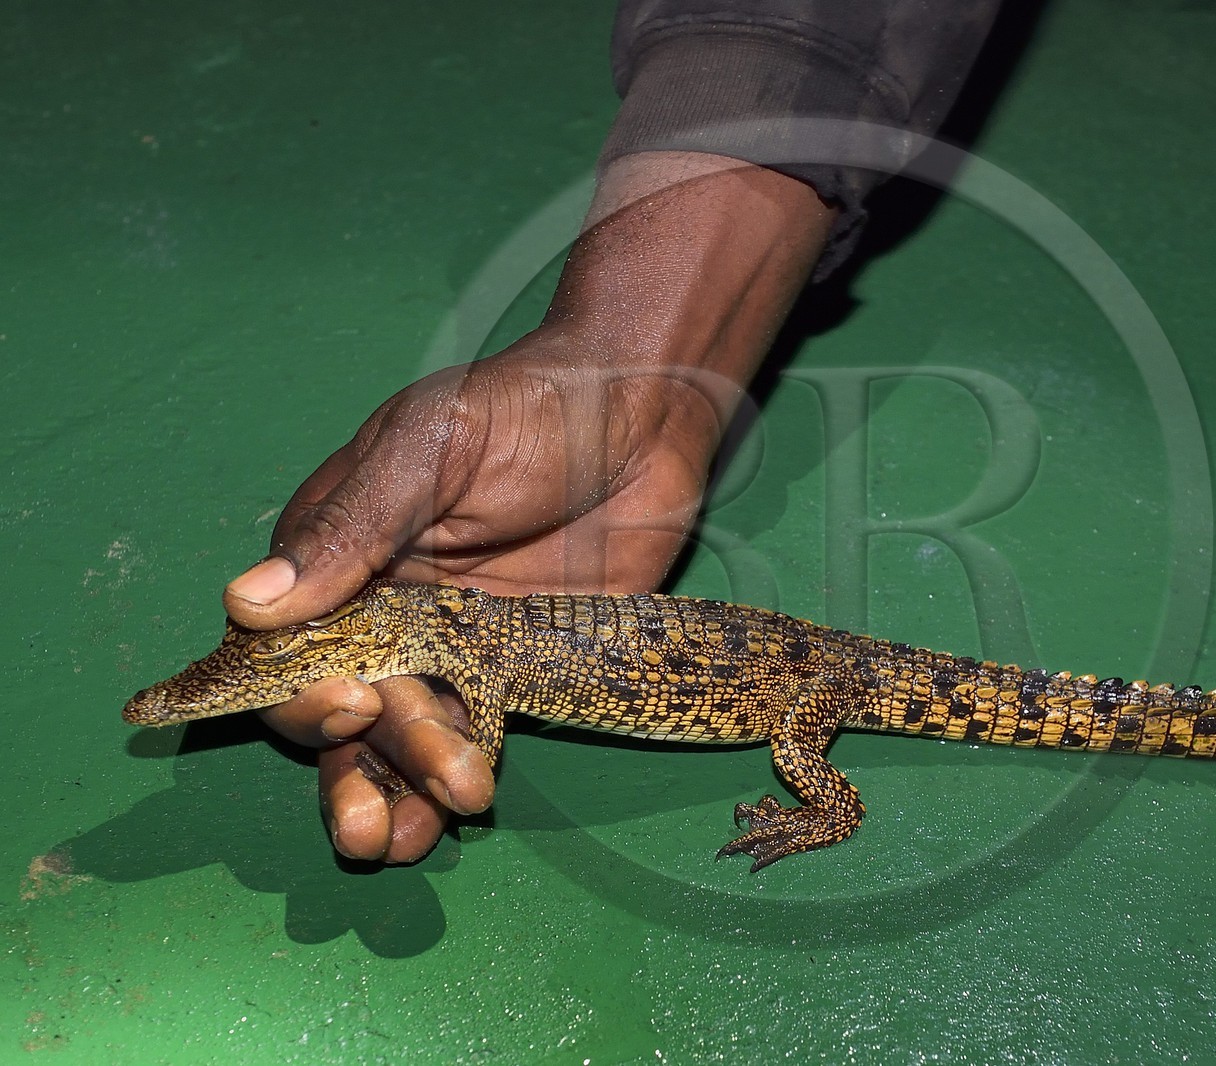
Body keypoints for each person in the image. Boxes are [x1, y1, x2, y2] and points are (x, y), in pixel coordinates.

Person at [223, 3, 1005, 862]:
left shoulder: (459, 635)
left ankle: (834, 814)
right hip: (739, 645)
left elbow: (483, 724)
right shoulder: (451, 629)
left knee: (796, 743)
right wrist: (632, 374)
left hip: (815, 673)